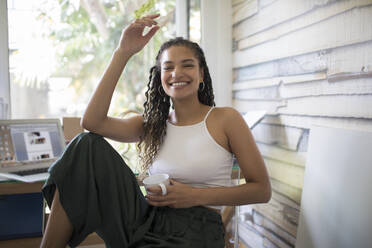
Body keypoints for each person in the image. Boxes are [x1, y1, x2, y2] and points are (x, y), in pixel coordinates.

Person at [40, 14, 271, 248]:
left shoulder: (226, 119)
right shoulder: (151, 125)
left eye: (187, 65)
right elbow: (92, 122)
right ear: (160, 78)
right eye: (168, 67)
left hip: (198, 228)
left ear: (201, 74)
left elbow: (261, 190)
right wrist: (123, 53)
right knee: (85, 145)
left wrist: (193, 195)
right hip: (147, 220)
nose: (176, 73)